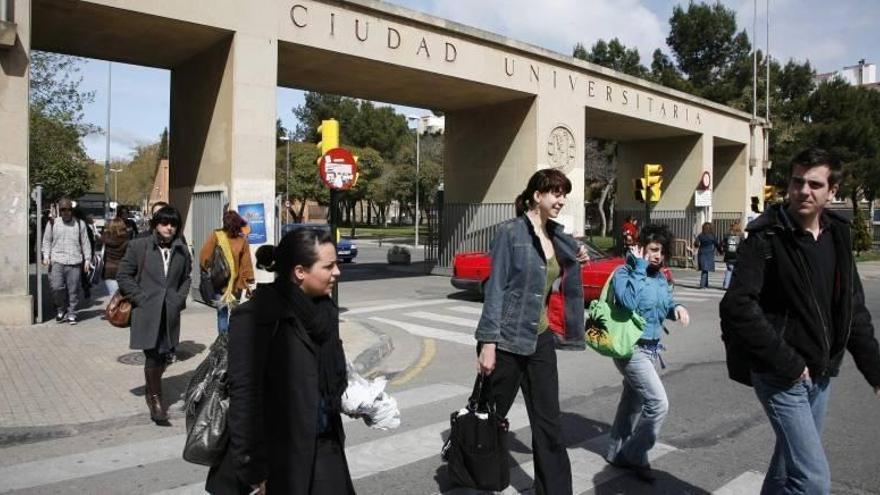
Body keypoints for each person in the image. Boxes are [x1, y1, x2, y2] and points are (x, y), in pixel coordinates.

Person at [719, 147, 880, 494]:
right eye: (797, 182)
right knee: (812, 480)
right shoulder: (767, 237)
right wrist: (788, 362)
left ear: (831, 192)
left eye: (814, 184)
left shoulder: (837, 235)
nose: (803, 190)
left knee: (785, 468)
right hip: (782, 374)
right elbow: (737, 306)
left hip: (820, 373)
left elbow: (852, 308)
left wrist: (875, 369)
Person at [206, 228, 353, 495]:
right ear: (300, 272)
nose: (337, 272)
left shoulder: (325, 311)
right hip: (278, 457)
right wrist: (253, 470)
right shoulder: (256, 316)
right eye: (328, 266)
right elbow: (245, 398)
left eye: (337, 265)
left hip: (325, 445)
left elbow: (328, 376)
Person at [474, 168, 589, 495]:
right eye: (555, 193)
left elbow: (563, 277)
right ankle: (472, 480)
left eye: (563, 193)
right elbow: (495, 288)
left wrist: (576, 256)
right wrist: (488, 343)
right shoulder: (510, 233)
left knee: (549, 424)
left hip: (540, 339)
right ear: (536, 196)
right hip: (507, 340)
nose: (561, 200)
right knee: (488, 419)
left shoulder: (558, 235)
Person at [604, 224, 690, 483]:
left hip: (652, 348)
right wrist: (639, 267)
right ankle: (635, 454)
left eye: (661, 251)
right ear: (640, 248)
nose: (657, 256)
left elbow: (663, 304)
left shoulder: (661, 277)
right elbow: (629, 302)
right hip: (630, 349)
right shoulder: (624, 272)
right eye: (653, 249)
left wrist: (676, 309)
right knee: (658, 403)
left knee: (633, 401)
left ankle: (616, 452)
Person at [117, 205, 192, 425]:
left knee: (164, 353)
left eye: (173, 224)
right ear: (155, 225)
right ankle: (156, 401)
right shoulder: (138, 246)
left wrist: (179, 299)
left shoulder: (181, 248)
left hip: (170, 310)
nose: (169, 228)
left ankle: (152, 391)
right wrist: (140, 298)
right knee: (152, 354)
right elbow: (123, 275)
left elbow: (186, 277)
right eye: (164, 223)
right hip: (147, 311)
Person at [199, 210, 255, 333]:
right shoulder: (242, 240)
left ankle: (223, 344)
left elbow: (204, 257)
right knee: (234, 314)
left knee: (222, 314)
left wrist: (210, 270)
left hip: (220, 283)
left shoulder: (217, 235)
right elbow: (246, 264)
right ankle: (231, 341)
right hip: (236, 285)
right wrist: (249, 279)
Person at [41, 198, 93, 325]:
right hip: (57, 261)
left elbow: (85, 242)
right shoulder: (52, 223)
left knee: (73, 289)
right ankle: (61, 309)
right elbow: (47, 241)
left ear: (72, 210)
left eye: (68, 209)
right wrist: (46, 256)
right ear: (60, 210)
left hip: (74, 261)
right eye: (63, 209)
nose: (66, 212)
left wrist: (87, 259)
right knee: (56, 287)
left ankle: (72, 313)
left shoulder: (79, 224)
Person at [100, 217, 130, 297]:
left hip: (108, 269)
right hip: (123, 269)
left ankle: (113, 309)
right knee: (124, 297)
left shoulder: (105, 238)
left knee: (113, 296)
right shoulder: (127, 239)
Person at [693, 222, 720, 289]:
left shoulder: (700, 235)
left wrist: (697, 245)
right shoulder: (712, 235)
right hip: (709, 253)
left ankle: (705, 284)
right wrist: (720, 251)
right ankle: (702, 285)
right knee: (705, 269)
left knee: (705, 269)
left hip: (701, 253)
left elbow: (696, 244)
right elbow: (717, 244)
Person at [720, 220, 743, 290]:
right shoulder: (741, 235)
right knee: (737, 271)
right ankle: (734, 285)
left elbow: (722, 244)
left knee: (729, 270)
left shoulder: (727, 235)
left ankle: (726, 285)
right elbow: (744, 245)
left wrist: (723, 250)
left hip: (729, 255)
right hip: (737, 255)